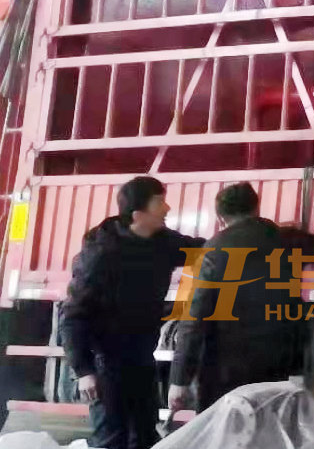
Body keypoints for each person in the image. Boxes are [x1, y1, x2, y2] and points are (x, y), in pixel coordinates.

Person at [60, 176, 205, 449]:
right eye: (159, 202)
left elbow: (204, 251)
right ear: (138, 215)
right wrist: (83, 371)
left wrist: (242, 237)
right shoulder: (101, 254)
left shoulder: (162, 242)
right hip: (106, 361)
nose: (167, 208)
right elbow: (73, 316)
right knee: (111, 439)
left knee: (145, 436)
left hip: (141, 357)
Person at [168, 182, 314, 412]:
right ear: (256, 208)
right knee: (267, 426)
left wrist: (179, 379)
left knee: (224, 429)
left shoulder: (214, 249)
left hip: (224, 369)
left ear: (220, 218)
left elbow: (195, 317)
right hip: (276, 364)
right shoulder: (286, 240)